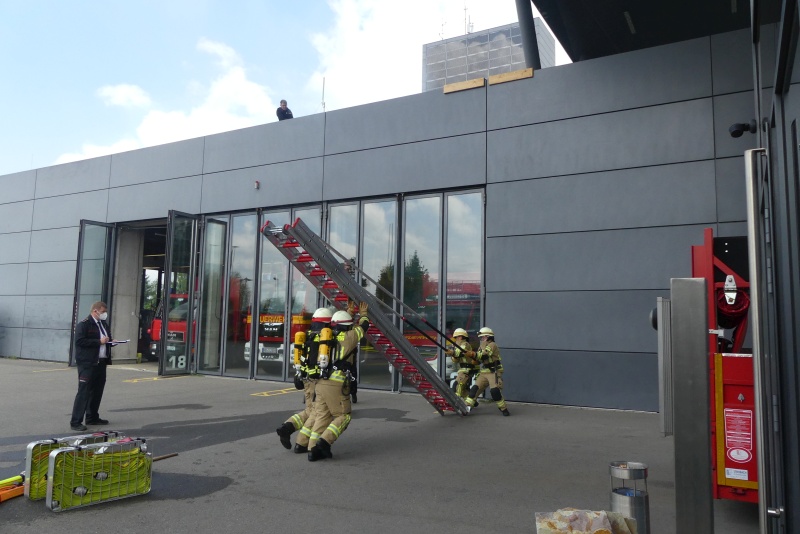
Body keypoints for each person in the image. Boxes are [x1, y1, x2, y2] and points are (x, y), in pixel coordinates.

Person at [307, 302, 369, 461]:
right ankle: (324, 442)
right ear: (348, 326)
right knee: (344, 416)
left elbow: (343, 322)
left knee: (322, 417)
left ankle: (313, 451)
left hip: (321, 383)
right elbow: (363, 326)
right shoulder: (349, 337)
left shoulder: (326, 336)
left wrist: (349, 312)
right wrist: (363, 313)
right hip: (336, 384)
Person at [275, 307, 332, 453]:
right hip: (317, 381)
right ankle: (302, 443)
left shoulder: (307, 335)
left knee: (310, 410)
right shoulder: (324, 338)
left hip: (306, 379)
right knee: (317, 413)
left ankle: (287, 428)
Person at [70, 301, 115, 431]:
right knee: (84, 392)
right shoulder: (84, 324)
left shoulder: (103, 324)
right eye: (103, 312)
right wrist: (98, 341)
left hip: (101, 362)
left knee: (97, 391)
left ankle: (92, 417)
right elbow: (80, 341)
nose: (105, 314)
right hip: (87, 363)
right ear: (95, 311)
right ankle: (75, 421)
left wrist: (112, 342)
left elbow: (107, 339)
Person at [465, 327, 510, 416]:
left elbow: (485, 355)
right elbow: (479, 358)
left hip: (493, 371)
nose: (482, 339)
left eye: (483, 337)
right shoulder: (481, 346)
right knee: (474, 389)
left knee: (495, 391)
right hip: (484, 371)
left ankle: (503, 408)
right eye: (481, 337)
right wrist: (474, 359)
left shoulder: (492, 345)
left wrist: (474, 354)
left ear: (489, 337)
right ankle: (466, 406)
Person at [445, 328, 479, 399]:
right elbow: (456, 360)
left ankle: (456, 402)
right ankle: (471, 402)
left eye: (457, 337)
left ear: (461, 337)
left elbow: (460, 352)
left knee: (457, 386)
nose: (456, 339)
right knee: (464, 390)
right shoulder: (458, 346)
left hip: (468, 369)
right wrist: (453, 355)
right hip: (463, 369)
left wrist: (453, 352)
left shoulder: (465, 344)